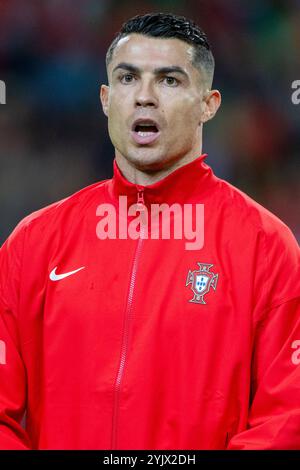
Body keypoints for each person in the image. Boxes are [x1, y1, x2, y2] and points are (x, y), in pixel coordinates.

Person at [0, 12, 299, 451]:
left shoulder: (265, 247)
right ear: (105, 98)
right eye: (127, 78)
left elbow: (287, 415)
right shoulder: (33, 243)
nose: (144, 97)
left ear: (208, 104)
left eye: (169, 80)